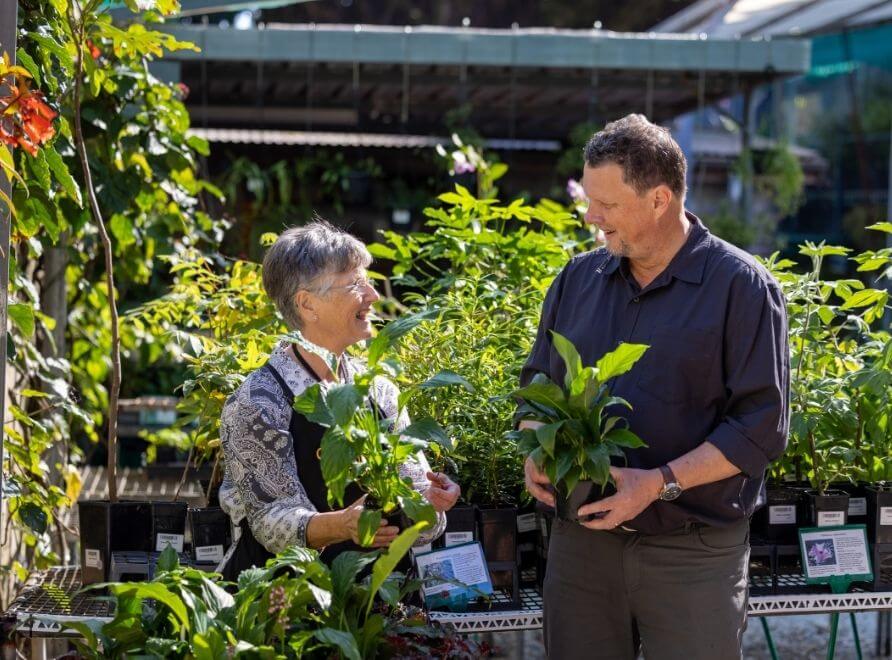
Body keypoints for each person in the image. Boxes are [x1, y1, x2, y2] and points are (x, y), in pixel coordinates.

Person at [521, 114, 789, 659]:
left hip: (692, 555)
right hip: (584, 550)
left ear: (660, 199)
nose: (591, 216)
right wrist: (536, 445)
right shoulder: (578, 279)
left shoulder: (741, 288)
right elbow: (538, 385)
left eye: (608, 205)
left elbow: (761, 426)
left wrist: (658, 482)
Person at [218, 220, 460, 579]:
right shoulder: (260, 400)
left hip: (378, 595)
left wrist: (431, 502)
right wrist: (342, 524)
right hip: (287, 603)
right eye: (355, 284)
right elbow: (271, 522)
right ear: (307, 304)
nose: (374, 296)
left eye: (368, 281)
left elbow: (422, 515)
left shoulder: (379, 390)